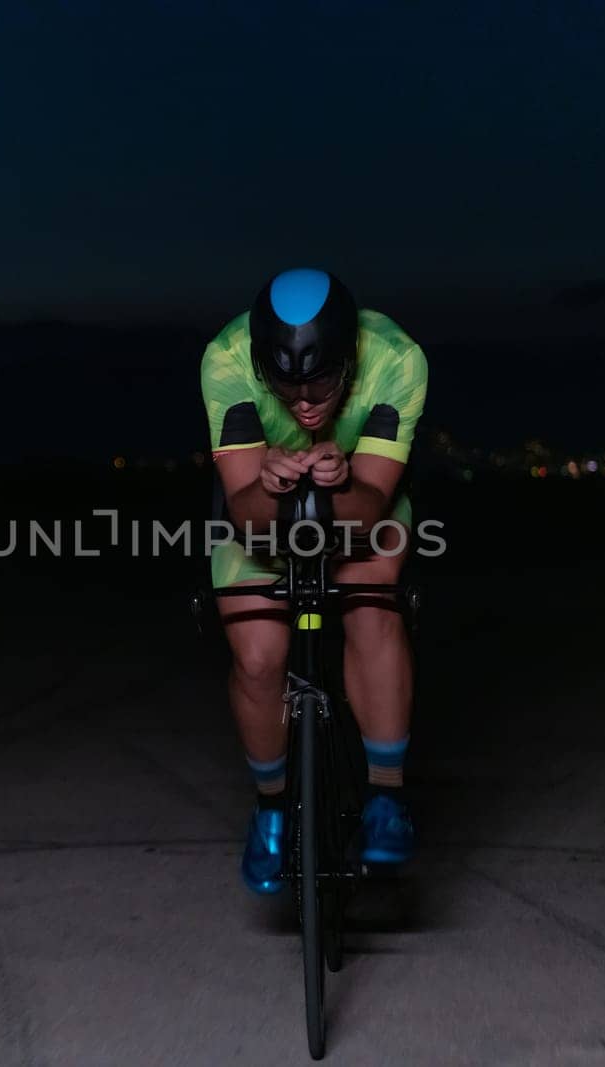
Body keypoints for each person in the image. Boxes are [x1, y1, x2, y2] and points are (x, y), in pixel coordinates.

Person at [200, 267, 428, 894]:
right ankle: (271, 807)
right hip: (261, 509)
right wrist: (270, 488)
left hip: (362, 501)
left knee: (373, 607)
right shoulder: (224, 360)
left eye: (322, 380)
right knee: (257, 656)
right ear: (258, 364)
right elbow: (245, 518)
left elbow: (371, 508)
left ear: (350, 361)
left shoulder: (398, 360)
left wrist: (341, 484)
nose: (304, 402)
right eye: (286, 384)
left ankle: (386, 796)